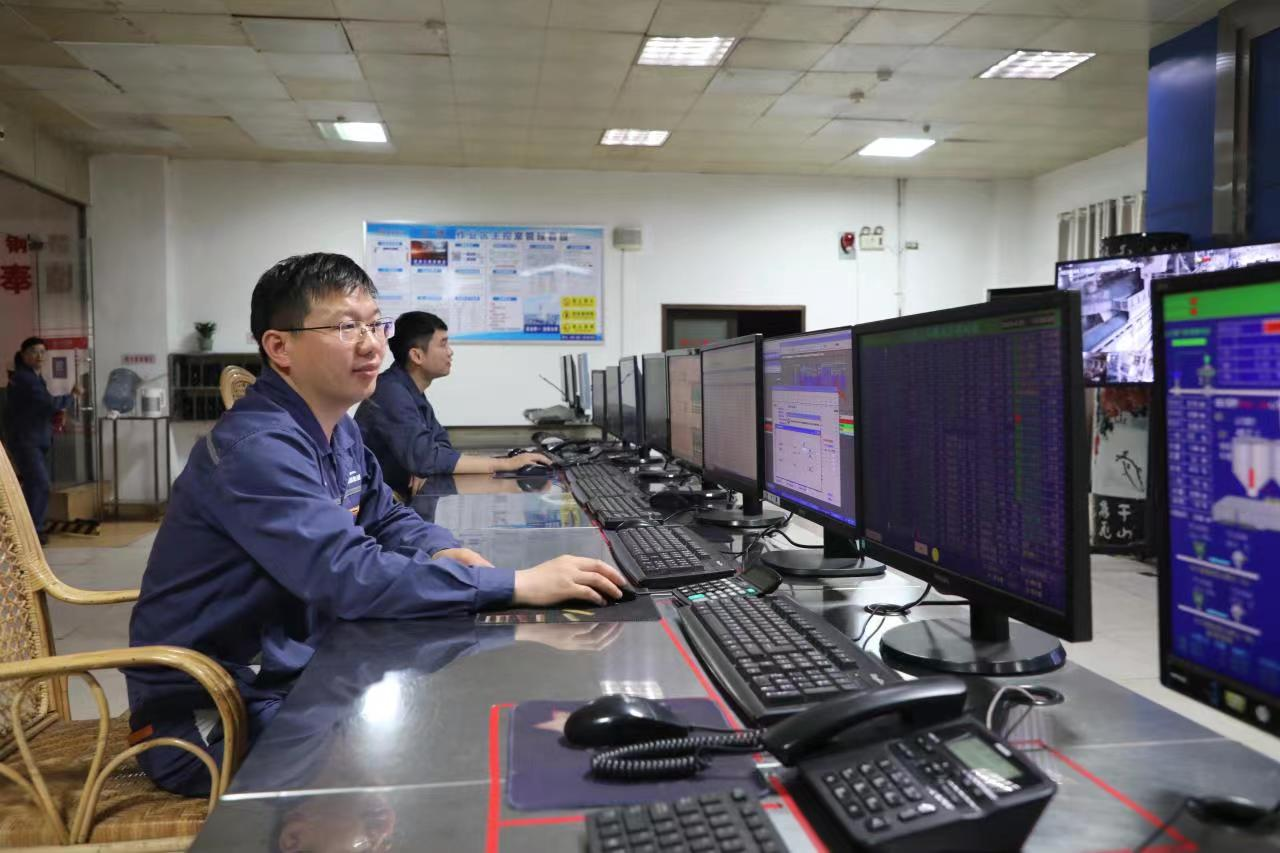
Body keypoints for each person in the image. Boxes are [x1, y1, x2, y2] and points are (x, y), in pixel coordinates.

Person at [125, 254, 626, 797]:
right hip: (211, 714)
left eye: (374, 324)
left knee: (443, 705)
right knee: (429, 741)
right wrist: (517, 584)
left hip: (290, 671)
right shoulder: (258, 448)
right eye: (347, 327)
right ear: (279, 347)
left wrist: (440, 549)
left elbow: (385, 515)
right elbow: (349, 574)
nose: (372, 345)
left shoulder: (335, 428)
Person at [354, 311, 551, 495]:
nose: (450, 352)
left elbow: (440, 446)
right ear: (417, 356)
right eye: (443, 344)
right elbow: (426, 459)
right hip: (371, 506)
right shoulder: (391, 392)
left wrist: (427, 465)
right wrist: (505, 464)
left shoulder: (410, 390)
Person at [3, 337, 80, 544]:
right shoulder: (24, 379)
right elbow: (48, 403)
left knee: (33, 486)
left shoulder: (35, 378)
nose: (39, 356)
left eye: (42, 352)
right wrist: (71, 396)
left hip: (37, 439)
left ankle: (26, 530)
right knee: (39, 484)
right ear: (24, 354)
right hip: (26, 440)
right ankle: (32, 532)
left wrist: (56, 415)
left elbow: (39, 408)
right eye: (34, 351)